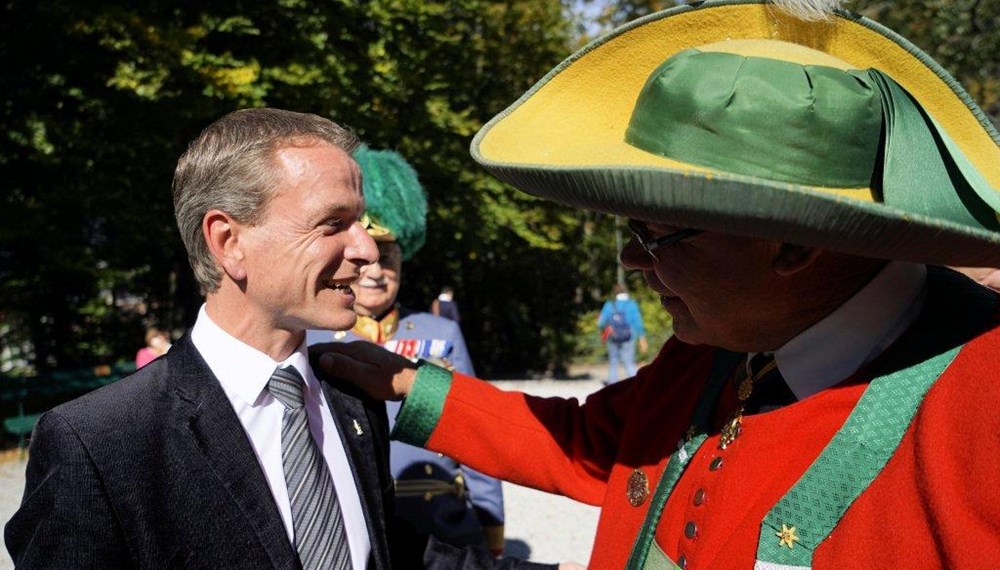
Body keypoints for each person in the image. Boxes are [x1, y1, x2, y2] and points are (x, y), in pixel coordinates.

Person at [317, 2, 1000, 568]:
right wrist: (405, 383)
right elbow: (593, 444)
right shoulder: (716, 348)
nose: (635, 264)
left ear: (794, 243)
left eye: (655, 235)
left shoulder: (981, 399)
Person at [6, 108, 565, 570]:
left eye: (362, 223)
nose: (367, 250)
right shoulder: (99, 443)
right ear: (229, 242)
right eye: (332, 223)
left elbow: (392, 553)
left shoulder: (349, 395)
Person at [307, 146, 507, 557]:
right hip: (354, 527)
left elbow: (475, 428)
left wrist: (491, 522)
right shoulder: (309, 338)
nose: (377, 272)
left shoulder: (441, 332)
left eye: (390, 258)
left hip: (443, 522)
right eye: (365, 262)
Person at [596, 283, 648, 384]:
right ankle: (636, 384)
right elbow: (638, 322)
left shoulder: (610, 304)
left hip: (612, 335)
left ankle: (612, 385)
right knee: (628, 361)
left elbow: (600, 323)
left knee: (613, 361)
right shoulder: (631, 304)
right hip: (629, 335)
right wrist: (642, 337)